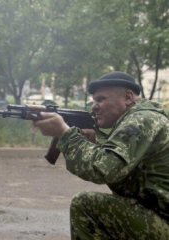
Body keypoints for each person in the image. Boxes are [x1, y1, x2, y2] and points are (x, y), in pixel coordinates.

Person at [33, 71, 169, 239]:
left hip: (162, 218)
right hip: (158, 212)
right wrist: (95, 144)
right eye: (93, 100)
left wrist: (64, 133)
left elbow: (103, 169)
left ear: (127, 97)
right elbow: (122, 168)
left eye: (101, 99)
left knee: (85, 205)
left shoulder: (140, 120)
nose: (94, 106)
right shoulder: (145, 117)